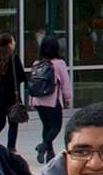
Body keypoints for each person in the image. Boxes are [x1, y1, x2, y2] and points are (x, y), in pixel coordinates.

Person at [28, 33, 73, 166]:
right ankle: (43, 146)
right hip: (51, 100)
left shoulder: (36, 63)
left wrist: (31, 100)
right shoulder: (59, 63)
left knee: (46, 126)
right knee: (55, 127)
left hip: (38, 100)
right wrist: (68, 99)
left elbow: (33, 82)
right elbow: (65, 83)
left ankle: (50, 154)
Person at [0, 33, 28, 160]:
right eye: (13, 41)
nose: (14, 43)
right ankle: (11, 148)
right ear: (9, 43)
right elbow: (21, 77)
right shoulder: (13, 58)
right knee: (13, 122)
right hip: (10, 96)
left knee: (0, 123)